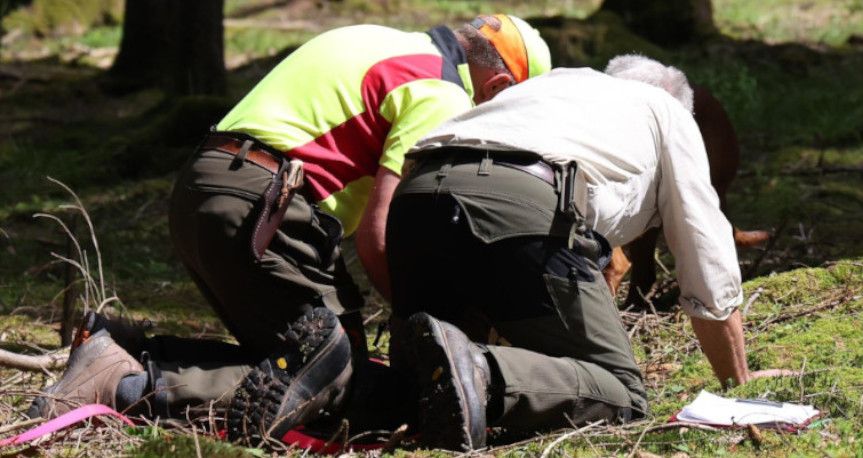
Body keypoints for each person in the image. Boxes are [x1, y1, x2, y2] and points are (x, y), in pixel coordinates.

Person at [28, 15, 551, 446]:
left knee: (300, 358)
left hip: (209, 189)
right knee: (337, 376)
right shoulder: (441, 94)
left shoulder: (374, 38)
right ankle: (127, 386)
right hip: (265, 204)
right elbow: (379, 237)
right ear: (499, 86)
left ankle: (122, 352)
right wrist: (430, 333)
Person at [385, 65, 755, 451]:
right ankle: (481, 371)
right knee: (622, 392)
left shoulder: (549, 86)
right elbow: (706, 250)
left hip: (416, 196)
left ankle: (337, 373)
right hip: (520, 200)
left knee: (414, 390)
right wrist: (739, 388)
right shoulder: (669, 112)